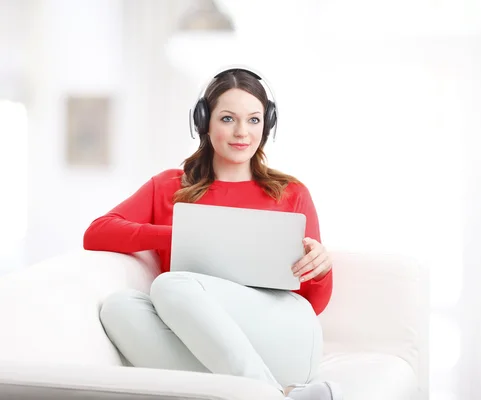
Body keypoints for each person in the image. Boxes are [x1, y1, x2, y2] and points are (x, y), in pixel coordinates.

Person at [83, 67, 342, 400]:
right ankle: (273, 394)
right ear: (204, 121)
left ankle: (263, 390)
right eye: (227, 119)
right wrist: (176, 237)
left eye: (253, 120)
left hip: (286, 337)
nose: (241, 133)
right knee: (117, 308)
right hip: (217, 349)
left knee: (169, 284)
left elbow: (314, 303)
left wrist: (320, 268)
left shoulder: (290, 193)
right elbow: (97, 233)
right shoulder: (169, 186)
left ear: (267, 125)